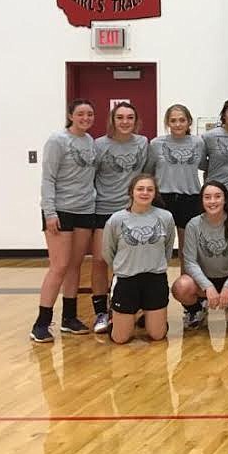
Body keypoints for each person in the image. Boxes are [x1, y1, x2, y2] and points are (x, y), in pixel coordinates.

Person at [31, 98, 98, 342]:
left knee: (75, 266)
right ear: (71, 115)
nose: (86, 118)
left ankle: (69, 318)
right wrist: (50, 212)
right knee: (59, 266)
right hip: (60, 211)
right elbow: (48, 178)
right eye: (81, 114)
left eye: (90, 114)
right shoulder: (57, 140)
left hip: (85, 210)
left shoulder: (90, 141)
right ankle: (41, 322)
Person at [90, 101, 151, 335]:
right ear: (112, 120)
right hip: (104, 209)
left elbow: (145, 175)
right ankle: (100, 312)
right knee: (100, 260)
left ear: (136, 121)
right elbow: (90, 175)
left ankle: (133, 307)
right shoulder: (99, 145)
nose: (125, 122)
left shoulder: (143, 143)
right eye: (120, 117)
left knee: (131, 261)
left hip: (132, 211)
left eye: (130, 117)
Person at [172, 180, 228, 329]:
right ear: (202, 200)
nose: (212, 201)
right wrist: (207, 286)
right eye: (207, 197)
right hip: (204, 280)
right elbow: (190, 262)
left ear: (224, 199)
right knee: (180, 287)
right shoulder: (193, 224)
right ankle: (196, 310)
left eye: (217, 196)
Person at [103, 173, 176, 344]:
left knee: (157, 335)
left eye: (149, 189)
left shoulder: (165, 217)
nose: (145, 193)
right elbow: (108, 252)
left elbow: (167, 249)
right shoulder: (116, 219)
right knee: (120, 339)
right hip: (127, 280)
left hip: (155, 279)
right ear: (131, 192)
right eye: (140, 189)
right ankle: (119, 317)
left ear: (155, 193)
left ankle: (149, 314)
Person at [150, 103, 205, 260]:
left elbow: (205, 166)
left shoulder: (198, 143)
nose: (178, 124)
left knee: (187, 248)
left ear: (189, 122)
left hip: (190, 197)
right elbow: (148, 172)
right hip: (163, 198)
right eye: (173, 120)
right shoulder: (156, 144)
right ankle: (159, 283)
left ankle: (185, 283)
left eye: (182, 120)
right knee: (159, 245)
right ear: (167, 123)